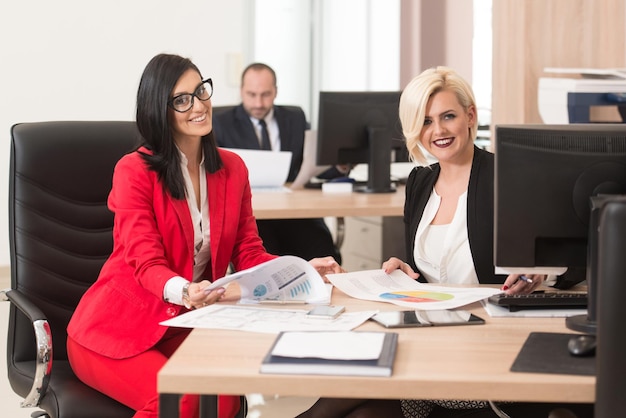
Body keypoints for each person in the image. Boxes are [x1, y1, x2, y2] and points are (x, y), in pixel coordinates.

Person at [296, 67, 593, 418]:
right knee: (354, 399)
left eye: (447, 116)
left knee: (352, 404)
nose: (437, 130)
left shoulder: (509, 178)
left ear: (470, 116)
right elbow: (431, 275)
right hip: (428, 340)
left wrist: (539, 273)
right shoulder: (421, 181)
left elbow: (578, 258)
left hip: (482, 350)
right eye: (425, 121)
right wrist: (407, 273)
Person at [66, 53, 343, 418]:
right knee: (176, 403)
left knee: (225, 401)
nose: (199, 106)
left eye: (201, 91)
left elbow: (248, 253)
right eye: (182, 99)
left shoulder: (231, 168)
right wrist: (185, 290)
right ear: (159, 111)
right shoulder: (133, 171)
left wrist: (301, 270)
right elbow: (145, 262)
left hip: (182, 324)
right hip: (115, 330)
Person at [212, 62, 345, 264]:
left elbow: (309, 165)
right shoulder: (221, 122)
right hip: (255, 217)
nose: (258, 103)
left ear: (275, 91)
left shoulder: (295, 118)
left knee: (326, 256)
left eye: (265, 94)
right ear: (241, 92)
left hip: (296, 213)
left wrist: (338, 166)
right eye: (251, 95)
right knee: (268, 263)